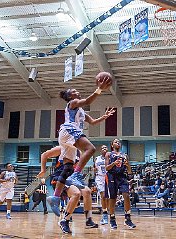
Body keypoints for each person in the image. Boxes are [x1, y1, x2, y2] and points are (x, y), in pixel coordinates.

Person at [46, 77, 114, 215]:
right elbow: (88, 101)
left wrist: (104, 117)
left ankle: (55, 197)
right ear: (70, 96)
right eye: (74, 91)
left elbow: (93, 122)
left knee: (67, 167)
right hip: (69, 130)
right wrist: (99, 89)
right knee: (91, 149)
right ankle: (76, 175)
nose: (78, 92)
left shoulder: (81, 111)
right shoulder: (73, 103)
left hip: (67, 136)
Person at [105, 138, 136, 229]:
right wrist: (113, 163)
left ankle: (128, 218)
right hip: (111, 176)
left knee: (126, 195)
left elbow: (129, 172)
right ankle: (112, 219)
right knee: (113, 198)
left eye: (119, 142)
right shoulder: (109, 154)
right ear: (112, 145)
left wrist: (128, 166)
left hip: (122, 176)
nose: (118, 142)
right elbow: (107, 168)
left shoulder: (125, 155)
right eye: (115, 141)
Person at [94, 145, 109, 225]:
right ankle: (105, 215)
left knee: (108, 198)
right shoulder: (97, 158)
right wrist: (95, 170)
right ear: (100, 150)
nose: (104, 149)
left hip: (108, 178)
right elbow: (94, 168)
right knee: (103, 196)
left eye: (105, 147)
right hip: (100, 178)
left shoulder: (110, 157)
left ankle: (106, 212)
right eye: (102, 148)